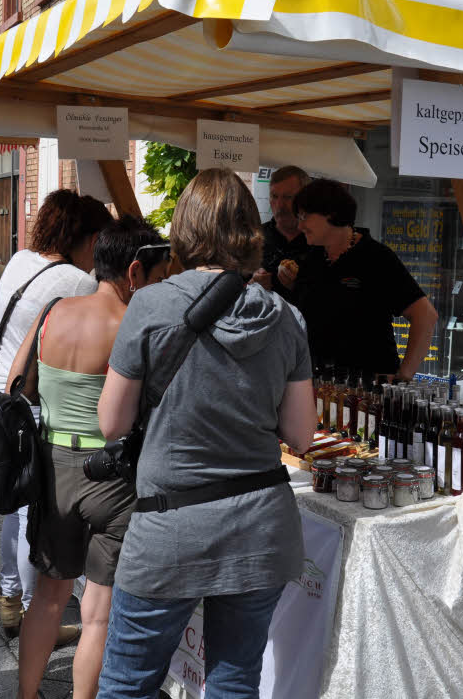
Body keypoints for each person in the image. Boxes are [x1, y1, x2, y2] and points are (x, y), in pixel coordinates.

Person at [95, 168, 316, 699]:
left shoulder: (150, 304)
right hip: (261, 523)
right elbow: (301, 435)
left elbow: (112, 423)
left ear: (184, 228)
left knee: (128, 683)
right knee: (234, 681)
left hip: (171, 523)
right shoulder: (287, 317)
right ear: (250, 231)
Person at [8, 216, 170, 699]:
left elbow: (19, 385)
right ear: (134, 272)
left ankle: (25, 694)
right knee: (98, 612)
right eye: (160, 275)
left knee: (48, 599)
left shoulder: (52, 311)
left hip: (54, 469)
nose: (162, 285)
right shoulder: (136, 326)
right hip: (115, 478)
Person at [0, 190, 114, 643]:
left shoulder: (20, 260)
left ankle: (8, 595)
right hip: (33, 404)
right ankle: (30, 610)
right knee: (32, 513)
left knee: (14, 504)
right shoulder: (77, 284)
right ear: (91, 237)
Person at [291, 178, 438, 381]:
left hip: (367, 389)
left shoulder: (376, 258)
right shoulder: (312, 258)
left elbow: (425, 315)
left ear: (331, 214)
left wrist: (403, 376)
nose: (299, 225)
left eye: (304, 216)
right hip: (319, 384)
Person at [253, 165, 311, 301]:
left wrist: (297, 287)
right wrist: (253, 286)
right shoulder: (254, 238)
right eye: (274, 196)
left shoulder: (318, 241)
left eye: (288, 197)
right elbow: (232, 293)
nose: (279, 205)